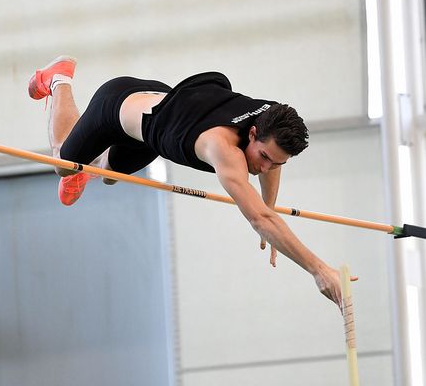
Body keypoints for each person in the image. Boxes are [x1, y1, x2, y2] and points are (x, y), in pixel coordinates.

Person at [28, 55, 357, 310]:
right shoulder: (222, 147)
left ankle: (91, 166)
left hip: (154, 123)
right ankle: (59, 78)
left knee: (109, 175)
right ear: (253, 133)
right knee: (63, 163)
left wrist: (269, 208)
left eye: (277, 162)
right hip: (115, 107)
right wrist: (317, 269)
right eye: (265, 157)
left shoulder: (272, 120)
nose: (266, 167)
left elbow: (269, 181)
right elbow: (259, 219)